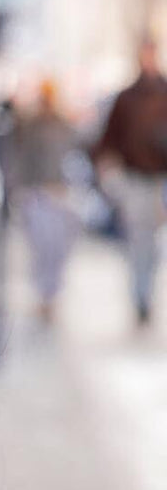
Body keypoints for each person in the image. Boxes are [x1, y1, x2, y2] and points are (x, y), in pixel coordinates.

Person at [93, 37, 167, 325]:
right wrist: (105, 166)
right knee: (138, 239)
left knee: (156, 241)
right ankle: (140, 294)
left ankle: (148, 288)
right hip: (135, 177)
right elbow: (109, 136)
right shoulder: (127, 98)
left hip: (161, 178)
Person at [11, 80, 82, 322]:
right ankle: (43, 293)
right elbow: (21, 158)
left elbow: (75, 154)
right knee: (41, 246)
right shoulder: (30, 126)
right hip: (36, 192)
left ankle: (52, 293)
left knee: (56, 247)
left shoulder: (64, 125)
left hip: (58, 191)